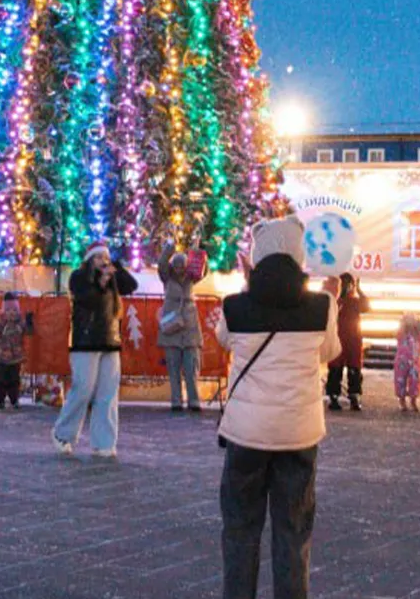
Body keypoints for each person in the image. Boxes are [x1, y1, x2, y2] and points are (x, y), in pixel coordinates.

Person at [217, 217, 340, 599]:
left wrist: (246, 284)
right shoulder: (321, 306)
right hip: (298, 434)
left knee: (240, 529)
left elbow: (224, 341)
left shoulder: (235, 306)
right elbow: (330, 353)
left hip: (246, 434)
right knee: (293, 531)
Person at [53, 242, 139, 458]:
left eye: (105, 257)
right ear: (90, 259)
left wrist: (117, 267)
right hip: (86, 341)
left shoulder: (113, 280)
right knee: (83, 389)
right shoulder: (79, 277)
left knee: (107, 394)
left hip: (110, 341)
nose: (103, 261)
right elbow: (87, 298)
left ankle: (104, 443)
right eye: (99, 257)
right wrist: (101, 281)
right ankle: (63, 434)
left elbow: (132, 285)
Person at [158, 247, 206, 413]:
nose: (179, 269)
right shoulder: (167, 278)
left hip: (190, 326)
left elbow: (203, 269)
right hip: (172, 325)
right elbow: (162, 264)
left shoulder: (192, 278)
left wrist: (199, 252)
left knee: (191, 366)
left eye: (182, 266)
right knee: (173, 367)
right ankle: (176, 401)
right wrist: (169, 249)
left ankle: (194, 400)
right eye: (176, 265)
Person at [326, 272, 371, 412]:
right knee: (336, 369)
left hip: (352, 340)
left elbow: (366, 307)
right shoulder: (335, 301)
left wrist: (360, 292)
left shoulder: (354, 301)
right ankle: (335, 397)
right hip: (340, 339)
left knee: (353, 369)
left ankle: (353, 397)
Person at [0, 292, 33, 410]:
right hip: (2, 357)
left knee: (14, 379)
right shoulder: (2, 323)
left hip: (15, 358)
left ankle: (14, 400)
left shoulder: (20, 323)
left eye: (14, 311)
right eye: (8, 311)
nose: (11, 314)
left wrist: (29, 321)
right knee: (1, 379)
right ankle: (0, 400)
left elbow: (29, 332)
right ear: (4, 312)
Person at [394, 313, 420, 413]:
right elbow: (397, 334)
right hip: (402, 360)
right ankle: (402, 400)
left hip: (416, 361)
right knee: (400, 380)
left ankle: (413, 399)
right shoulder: (402, 332)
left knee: (415, 380)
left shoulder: (419, 334)